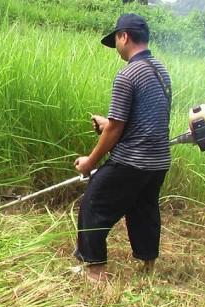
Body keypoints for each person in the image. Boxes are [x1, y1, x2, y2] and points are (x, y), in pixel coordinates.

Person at [73, 13, 172, 281]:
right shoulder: (161, 71)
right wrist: (107, 124)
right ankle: (148, 266)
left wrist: (90, 163)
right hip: (158, 161)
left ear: (124, 36)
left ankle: (94, 272)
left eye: (115, 39)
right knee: (143, 209)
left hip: (132, 161)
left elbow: (117, 129)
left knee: (94, 203)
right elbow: (145, 122)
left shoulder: (127, 74)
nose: (116, 46)